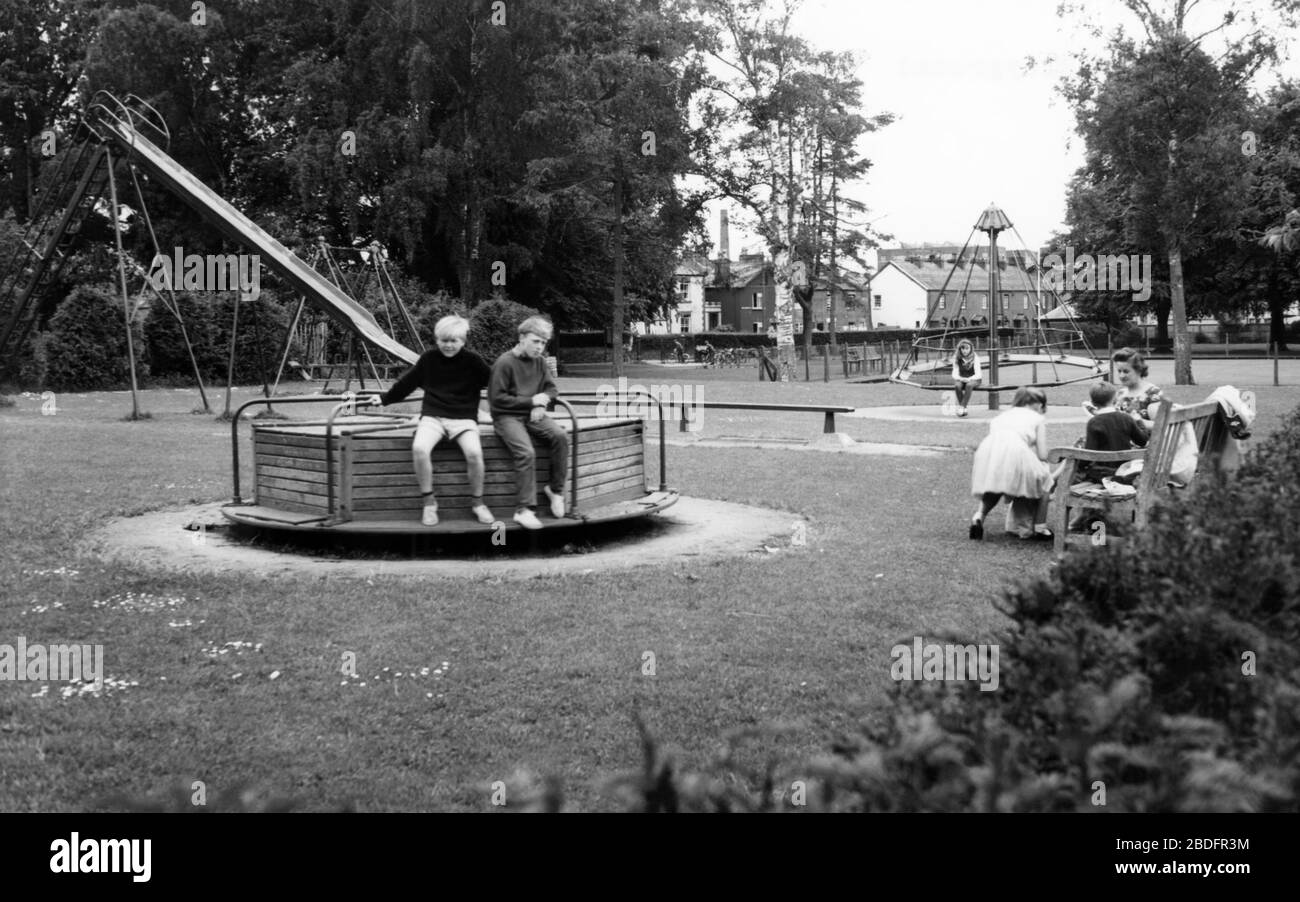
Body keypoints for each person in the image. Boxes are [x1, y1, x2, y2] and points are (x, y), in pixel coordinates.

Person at [376, 315, 493, 528]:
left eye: (453, 341)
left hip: (463, 418)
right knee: (420, 448)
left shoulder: (473, 361)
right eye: (444, 341)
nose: (448, 345)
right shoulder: (429, 359)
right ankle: (429, 502)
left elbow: (496, 383)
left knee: (474, 453)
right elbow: (407, 383)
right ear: (437, 340)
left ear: (463, 341)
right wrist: (384, 399)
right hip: (434, 416)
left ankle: (478, 502)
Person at [489, 316, 568, 530]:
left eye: (543, 343)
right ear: (521, 338)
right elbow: (497, 399)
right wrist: (530, 401)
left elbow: (551, 389)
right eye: (535, 341)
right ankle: (524, 510)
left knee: (560, 437)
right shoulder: (504, 362)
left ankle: (555, 490)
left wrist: (541, 405)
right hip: (506, 416)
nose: (540, 347)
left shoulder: (540, 362)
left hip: (532, 414)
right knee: (526, 452)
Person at [969, 386, 1055, 541]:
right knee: (1044, 480)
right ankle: (1040, 527)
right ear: (1037, 404)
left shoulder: (1001, 417)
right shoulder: (1037, 419)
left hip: (989, 450)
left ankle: (979, 516)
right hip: (1016, 449)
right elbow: (1042, 454)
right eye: (1042, 405)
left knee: (995, 485)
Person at [1111, 347, 1166, 438]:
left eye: (1126, 371)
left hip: (1142, 446)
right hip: (1120, 443)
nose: (1121, 376)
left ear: (1139, 370)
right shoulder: (1120, 394)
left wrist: (1133, 421)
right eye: (1119, 371)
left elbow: (1160, 426)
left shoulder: (1153, 393)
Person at [950, 339, 981, 417]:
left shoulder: (975, 357)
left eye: (967, 348)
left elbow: (978, 374)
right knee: (957, 386)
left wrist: (969, 379)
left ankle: (962, 407)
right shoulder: (957, 358)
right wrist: (961, 379)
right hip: (962, 378)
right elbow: (955, 373)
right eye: (963, 348)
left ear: (971, 349)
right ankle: (964, 408)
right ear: (960, 349)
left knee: (969, 385)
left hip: (974, 379)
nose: (965, 351)